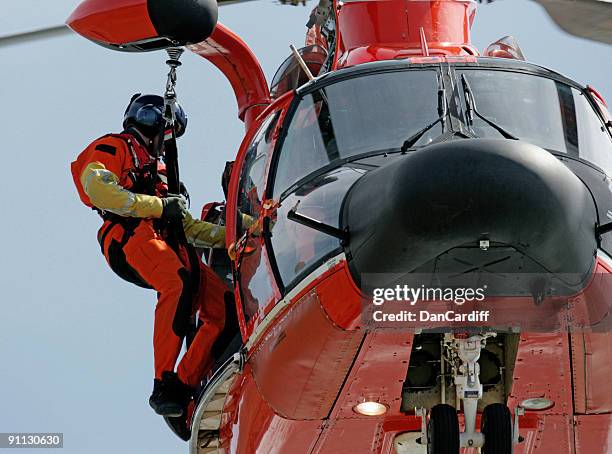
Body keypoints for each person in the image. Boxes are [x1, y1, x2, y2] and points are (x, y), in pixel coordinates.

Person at [70, 94, 229, 418]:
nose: (164, 144)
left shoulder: (159, 173)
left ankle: (184, 386)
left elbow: (188, 227)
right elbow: (99, 189)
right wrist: (158, 206)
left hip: (168, 242)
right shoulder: (115, 147)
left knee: (223, 306)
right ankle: (164, 381)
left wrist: (237, 235)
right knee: (177, 283)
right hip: (130, 236)